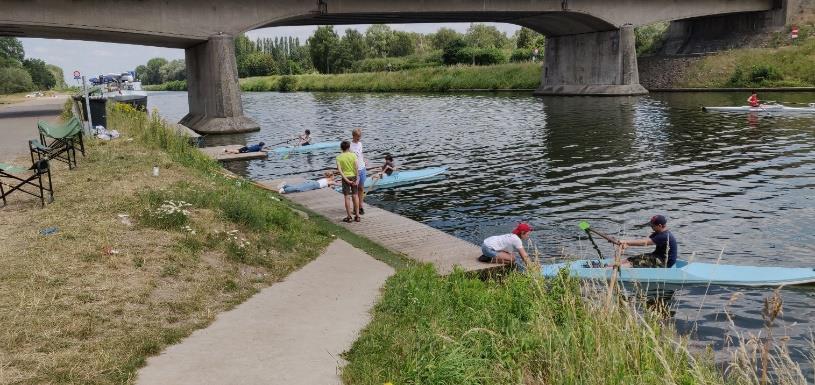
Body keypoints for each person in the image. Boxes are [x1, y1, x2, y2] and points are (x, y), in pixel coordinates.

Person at [336, 140, 360, 223]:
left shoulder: (339, 157)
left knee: (347, 197)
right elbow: (356, 167)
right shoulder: (353, 155)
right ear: (349, 147)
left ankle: (349, 217)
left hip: (345, 177)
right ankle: (357, 216)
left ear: (341, 148)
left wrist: (346, 179)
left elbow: (340, 170)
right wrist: (357, 178)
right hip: (353, 176)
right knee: (355, 196)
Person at [349, 128, 367, 215]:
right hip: (354, 170)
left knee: (361, 188)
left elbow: (360, 155)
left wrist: (364, 162)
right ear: (353, 136)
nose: (359, 138)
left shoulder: (360, 143)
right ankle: (355, 208)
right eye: (357, 137)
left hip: (362, 168)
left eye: (360, 136)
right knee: (354, 191)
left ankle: (361, 207)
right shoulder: (349, 146)